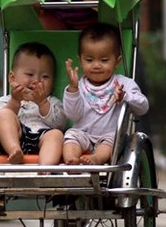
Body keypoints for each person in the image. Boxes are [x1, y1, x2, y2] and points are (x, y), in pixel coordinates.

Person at [62, 23, 148, 165]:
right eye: (89, 60)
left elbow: (143, 107)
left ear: (117, 61)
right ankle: (71, 160)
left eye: (104, 60)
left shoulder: (123, 84)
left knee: (112, 141)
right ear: (80, 60)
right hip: (83, 133)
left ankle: (96, 159)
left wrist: (125, 97)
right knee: (70, 136)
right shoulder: (79, 85)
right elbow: (73, 115)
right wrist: (73, 89)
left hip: (110, 135)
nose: (96, 65)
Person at [0, 42, 66, 165]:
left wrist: (42, 103)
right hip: (16, 138)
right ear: (12, 78)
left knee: (56, 134)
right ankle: (14, 151)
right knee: (4, 114)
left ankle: (45, 169)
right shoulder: (5, 100)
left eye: (45, 77)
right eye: (30, 74)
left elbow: (60, 124)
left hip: (42, 139)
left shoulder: (52, 102)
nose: (36, 81)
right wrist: (15, 101)